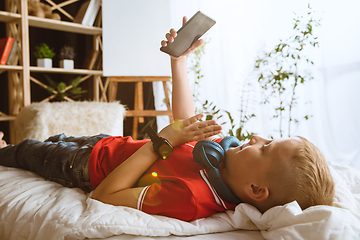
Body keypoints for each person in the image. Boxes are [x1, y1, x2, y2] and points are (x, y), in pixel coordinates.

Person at [0, 17, 334, 222]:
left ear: (256, 190)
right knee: (52, 139)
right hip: (105, 145)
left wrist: (162, 143)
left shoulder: (190, 199)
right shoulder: (219, 157)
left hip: (85, 167)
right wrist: (179, 62)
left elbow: (103, 198)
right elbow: (185, 120)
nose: (258, 138)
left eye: (265, 148)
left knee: (28, 151)